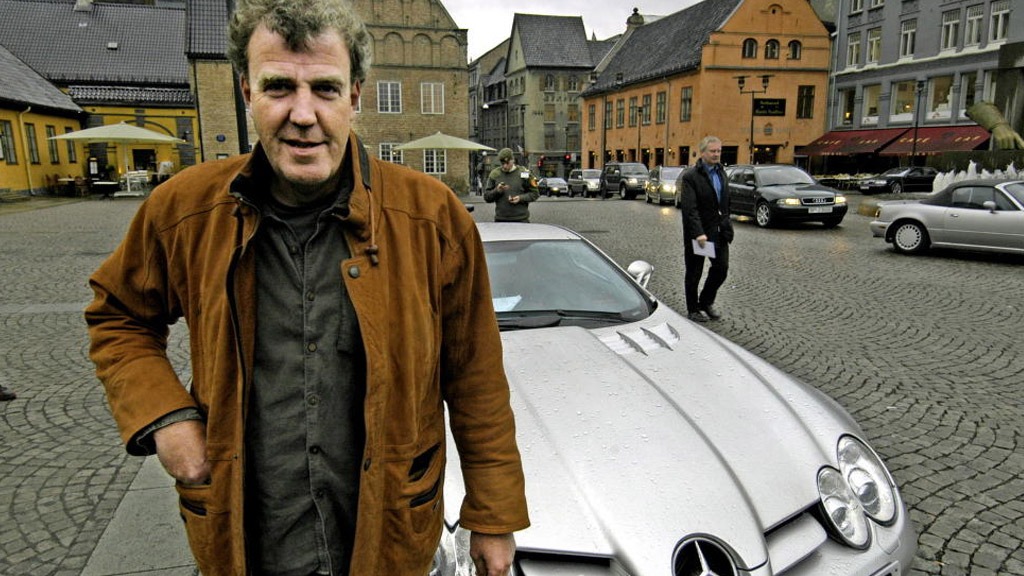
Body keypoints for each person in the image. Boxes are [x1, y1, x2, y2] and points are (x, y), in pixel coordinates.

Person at [83, 0, 529, 574]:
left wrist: (493, 514)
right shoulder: (185, 210)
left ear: (355, 96)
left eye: (324, 88)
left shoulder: (430, 216)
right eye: (278, 87)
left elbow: (475, 375)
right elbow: (118, 315)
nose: (302, 113)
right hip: (250, 541)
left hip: (388, 535)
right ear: (247, 92)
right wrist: (167, 419)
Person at [678, 135, 733, 323]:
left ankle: (705, 301)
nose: (716, 154)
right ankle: (693, 309)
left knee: (721, 268)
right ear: (702, 153)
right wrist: (698, 233)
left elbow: (724, 202)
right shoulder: (691, 177)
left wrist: (727, 223)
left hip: (719, 232)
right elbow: (690, 209)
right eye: (712, 151)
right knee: (694, 272)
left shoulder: (721, 172)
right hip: (699, 234)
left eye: (719, 151)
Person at [484, 148, 539, 222]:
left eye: (507, 163)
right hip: (501, 220)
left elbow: (535, 193)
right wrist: (497, 191)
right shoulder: (495, 174)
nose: (505, 166)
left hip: (521, 220)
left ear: (513, 160)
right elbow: (487, 197)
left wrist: (520, 198)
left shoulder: (524, 173)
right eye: (502, 163)